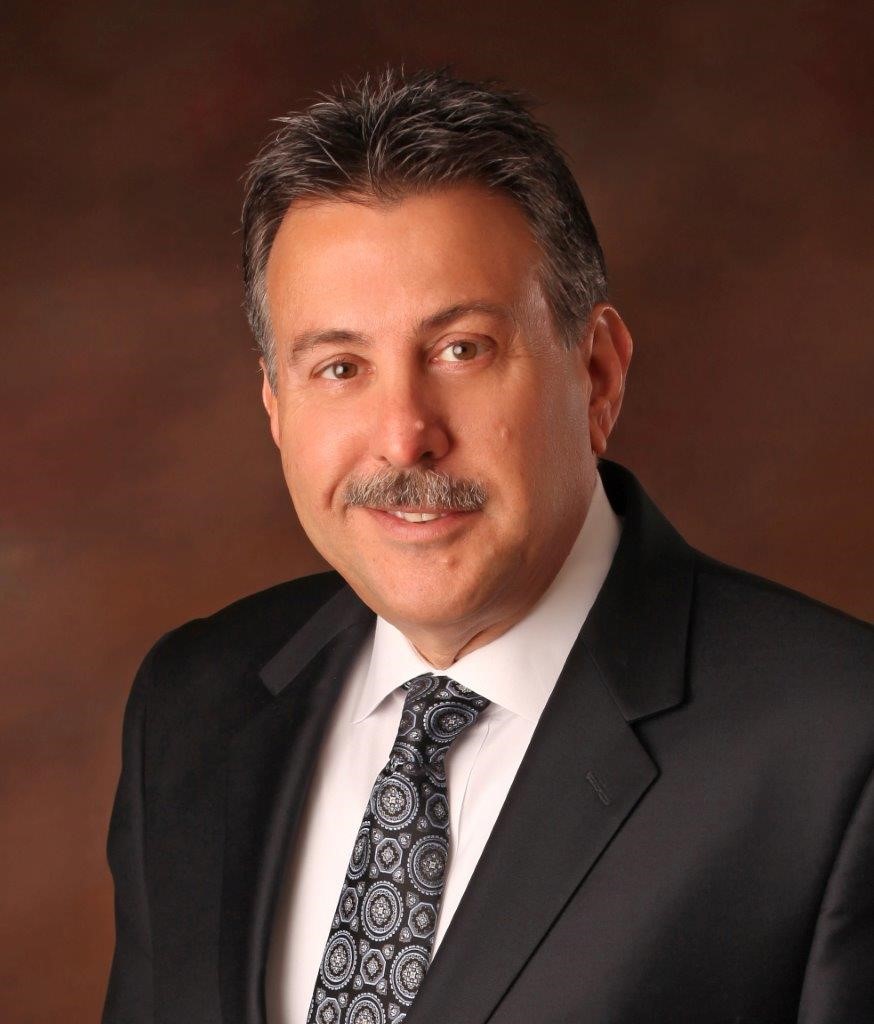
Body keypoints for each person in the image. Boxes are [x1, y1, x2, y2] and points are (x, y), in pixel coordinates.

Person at [103, 68, 873, 1024]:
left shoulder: (839, 745)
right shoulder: (192, 707)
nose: (404, 436)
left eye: (461, 350)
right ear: (275, 406)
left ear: (598, 374)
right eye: (339, 367)